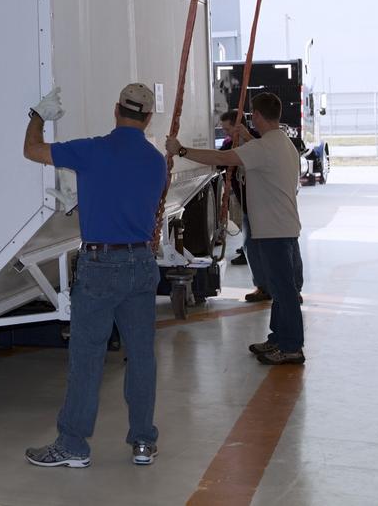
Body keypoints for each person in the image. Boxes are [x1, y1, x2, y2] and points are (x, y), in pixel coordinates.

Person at [21, 83, 165, 469]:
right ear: (148, 118)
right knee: (142, 357)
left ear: (116, 109)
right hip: (141, 263)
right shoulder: (156, 162)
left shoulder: (92, 150)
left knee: (87, 356)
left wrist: (38, 115)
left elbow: (31, 150)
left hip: (101, 266)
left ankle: (73, 445)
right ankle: (142, 442)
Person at [167, 92, 305, 365]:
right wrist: (249, 138)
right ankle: (278, 338)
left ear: (257, 116)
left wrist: (181, 150)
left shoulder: (262, 148)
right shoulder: (283, 144)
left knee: (285, 292)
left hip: (274, 231)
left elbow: (222, 157)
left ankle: (291, 347)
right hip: (284, 227)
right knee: (281, 289)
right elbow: (261, 154)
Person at [218, 111, 269, 303]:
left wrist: (246, 137)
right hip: (249, 208)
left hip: (265, 207)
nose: (225, 133)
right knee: (250, 246)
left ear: (239, 126)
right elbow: (219, 160)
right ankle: (262, 286)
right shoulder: (229, 146)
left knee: (274, 248)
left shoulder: (258, 142)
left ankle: (291, 288)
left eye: (227, 128)